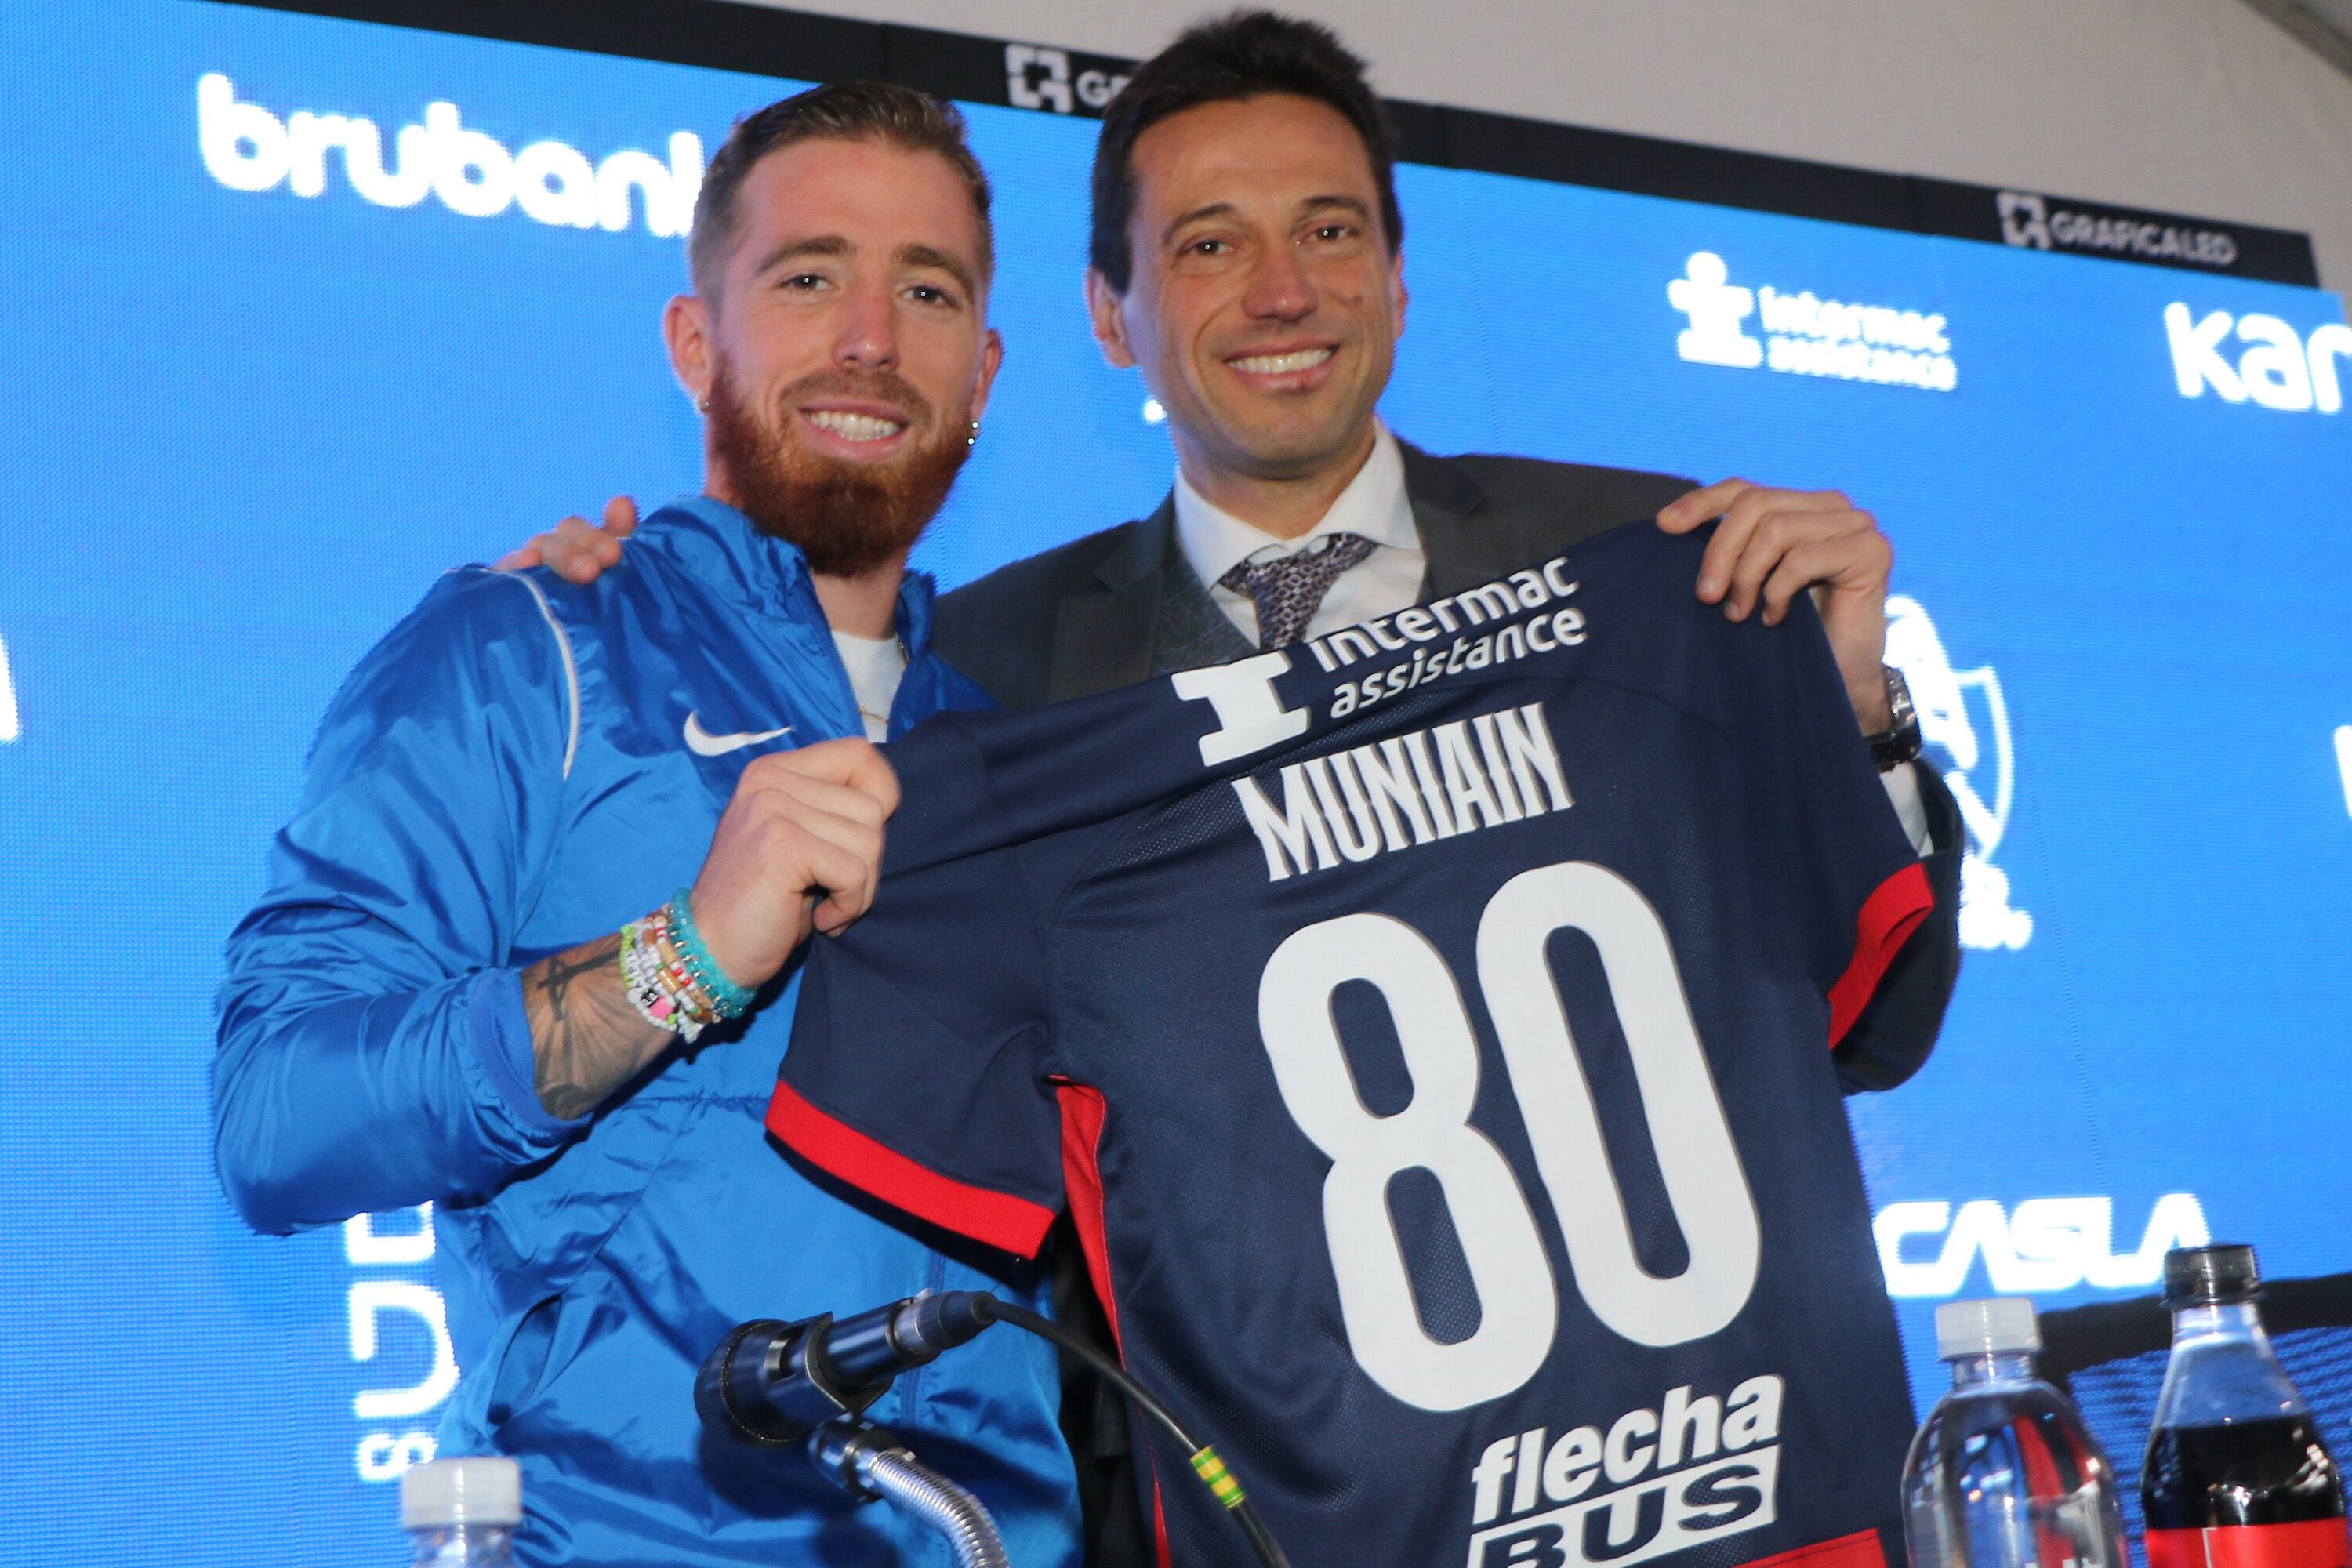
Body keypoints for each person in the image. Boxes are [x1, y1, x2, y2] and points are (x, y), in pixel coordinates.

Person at [504, 15, 1964, 1559]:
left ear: (1398, 279)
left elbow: (1881, 1020)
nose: (1282, 291)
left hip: (1707, 1504)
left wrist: (1858, 712)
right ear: (1111, 314)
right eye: (1208, 244)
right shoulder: (988, 673)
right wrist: (610, 600)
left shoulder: (1659, 566)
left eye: (1330, 231)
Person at [214, 85, 1079, 1567]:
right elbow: (275, 1119)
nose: (869, 334)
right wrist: (684, 957)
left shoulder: (1018, 751)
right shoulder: (526, 648)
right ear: (696, 343)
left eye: (924, 290)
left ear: (985, 372)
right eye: (809, 277)